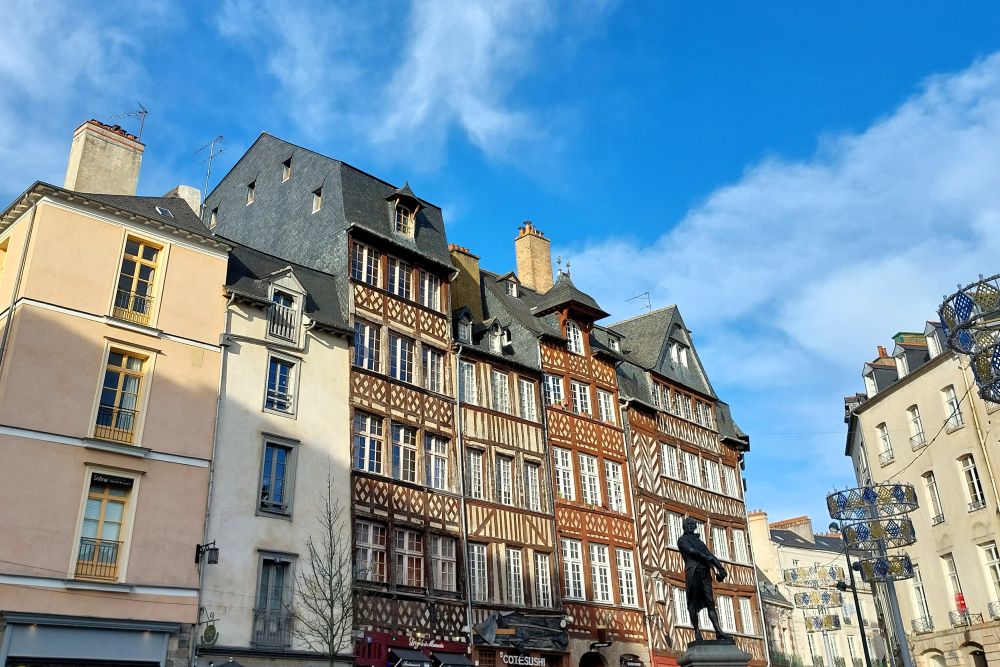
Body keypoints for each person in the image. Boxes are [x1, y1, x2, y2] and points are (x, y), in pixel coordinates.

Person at [677, 517, 731, 641]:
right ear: (684, 527)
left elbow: (711, 555)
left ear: (695, 527)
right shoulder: (682, 540)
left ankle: (718, 630)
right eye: (688, 524)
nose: (690, 526)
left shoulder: (700, 542)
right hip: (693, 571)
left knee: (710, 602)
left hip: (705, 573)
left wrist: (720, 568)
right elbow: (691, 551)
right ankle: (696, 631)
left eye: (692, 524)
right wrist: (706, 557)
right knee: (693, 603)